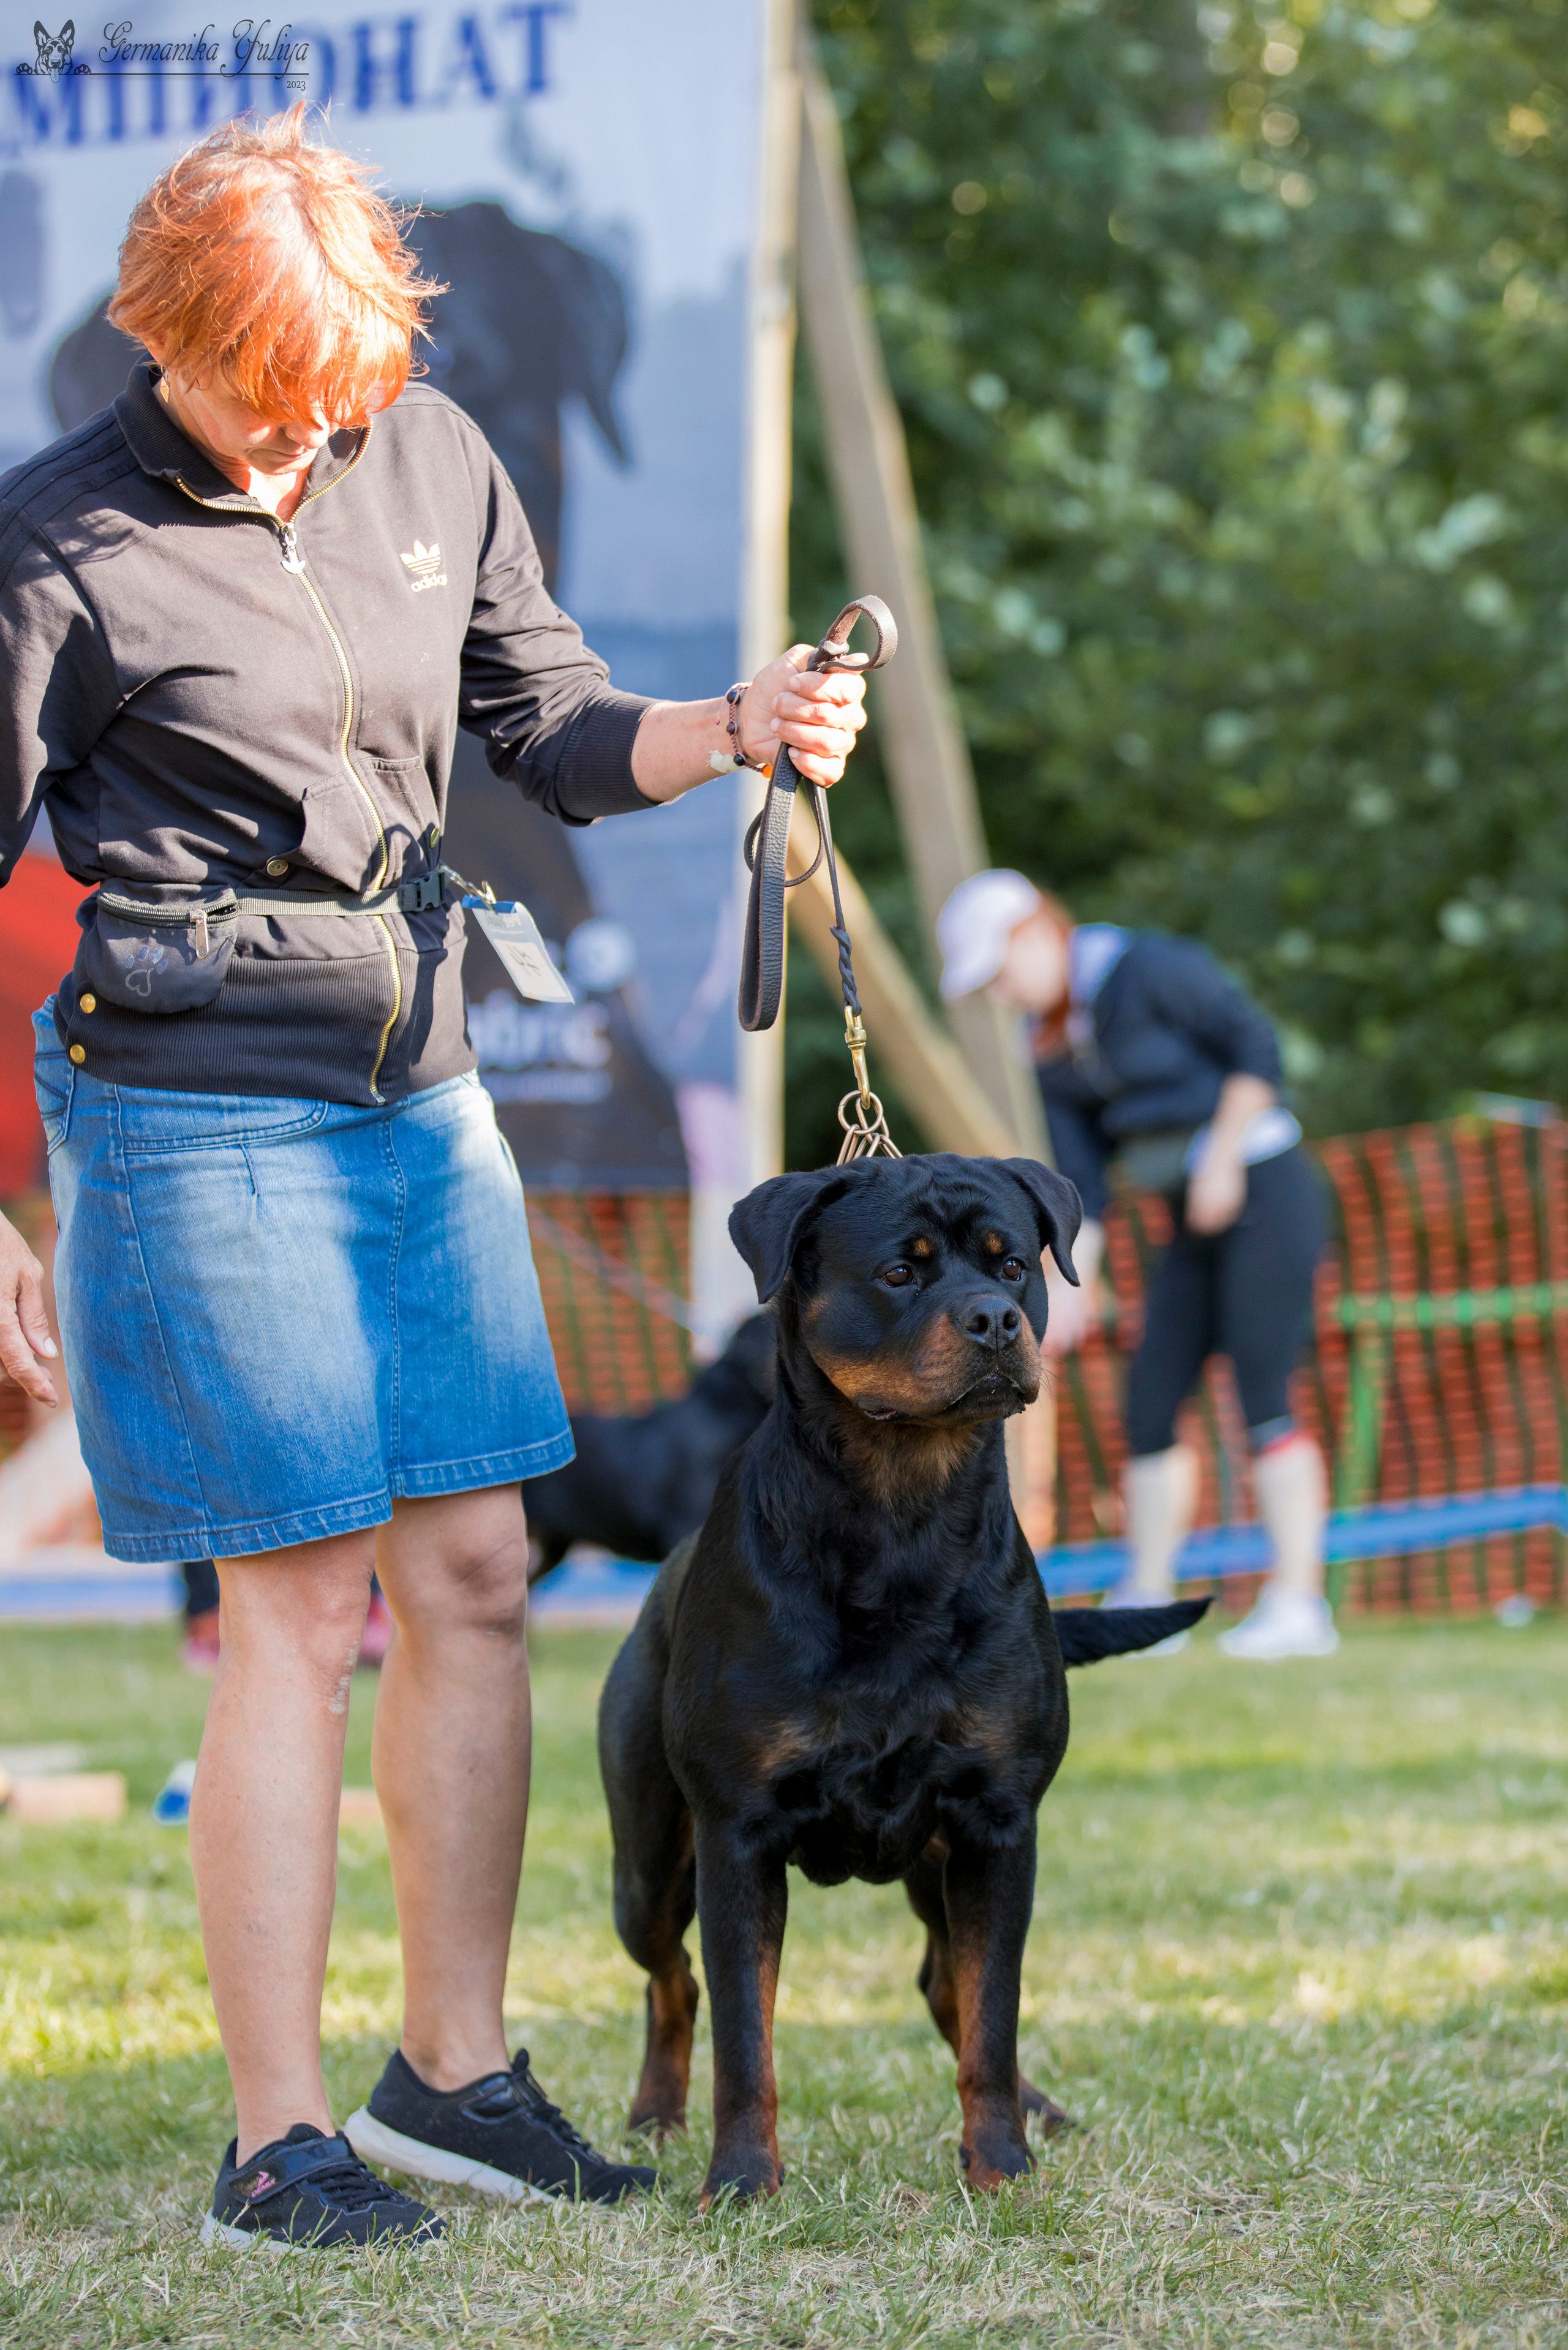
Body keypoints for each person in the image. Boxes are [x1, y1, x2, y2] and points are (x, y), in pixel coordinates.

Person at [0, 111, 868, 2252]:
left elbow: (554, 725)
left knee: (477, 1571)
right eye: (269, 391)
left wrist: (735, 720)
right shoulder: (54, 544)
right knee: (300, 1603)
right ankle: (273, 2137)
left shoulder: (427, 444)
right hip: (193, 1100)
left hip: (424, 1075)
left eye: (341, 383)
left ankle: (451, 2077)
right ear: (165, 337)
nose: (313, 428)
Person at [937, 872, 1336, 1663]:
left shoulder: (1149, 968)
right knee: (1152, 1399)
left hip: (1265, 1184)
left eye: (1001, 971)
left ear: (1035, 932)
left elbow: (1257, 1049)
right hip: (1189, 1216)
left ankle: (1300, 1600)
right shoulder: (1048, 1046)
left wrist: (1222, 1156)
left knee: (1263, 1395)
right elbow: (1080, 1179)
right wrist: (1062, 1285)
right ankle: (1147, 1598)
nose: (1003, 992)